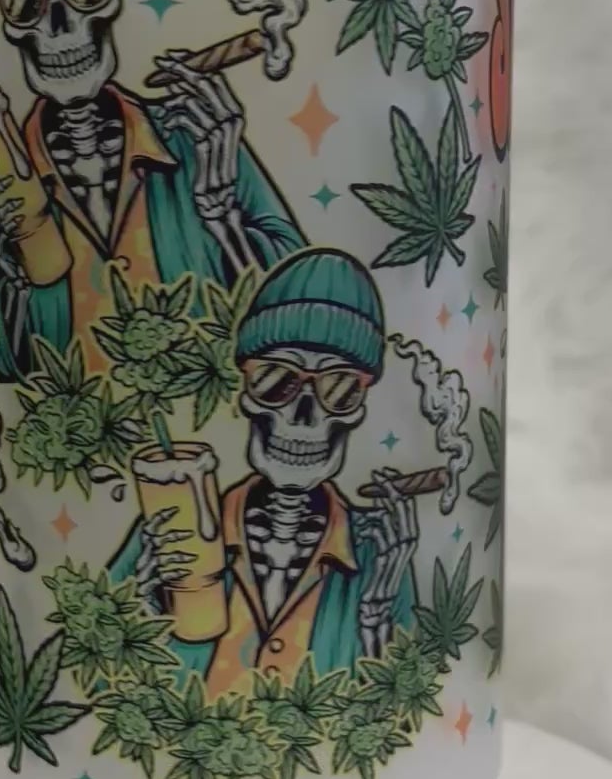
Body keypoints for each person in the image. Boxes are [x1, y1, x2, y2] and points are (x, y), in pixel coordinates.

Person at [0, 0, 303, 380]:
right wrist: (19, 268)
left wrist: (221, 215)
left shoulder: (196, 135)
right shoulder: (6, 173)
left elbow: (306, 320)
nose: (59, 24)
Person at [110, 250, 419, 689]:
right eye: (275, 380)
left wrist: (377, 614)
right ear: (245, 390)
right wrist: (137, 609)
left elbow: (403, 702)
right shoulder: (167, 532)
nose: (304, 417)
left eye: (339, 388)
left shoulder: (378, 553)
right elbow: (93, 677)